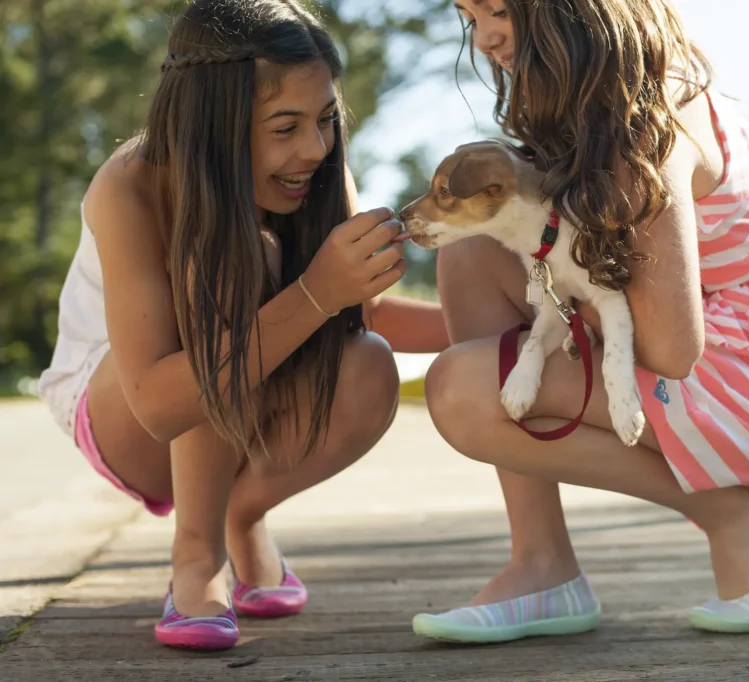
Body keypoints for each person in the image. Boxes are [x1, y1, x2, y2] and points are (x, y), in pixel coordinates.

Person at [412, 0, 749, 642]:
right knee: (476, 248)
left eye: (500, 10)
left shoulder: (645, 131)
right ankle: (542, 565)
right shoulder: (606, 108)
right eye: (469, 16)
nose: (484, 38)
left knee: (463, 392)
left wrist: (570, 318)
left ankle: (730, 507)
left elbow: (673, 348)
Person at [36, 0, 447, 651]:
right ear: (213, 123)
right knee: (233, 254)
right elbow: (157, 404)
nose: (314, 148)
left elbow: (360, 314)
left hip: (238, 400)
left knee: (367, 362)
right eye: (285, 127)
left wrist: (507, 323)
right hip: (124, 412)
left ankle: (242, 513)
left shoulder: (316, 171)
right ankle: (197, 554)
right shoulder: (132, 184)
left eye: (326, 121)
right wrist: (314, 290)